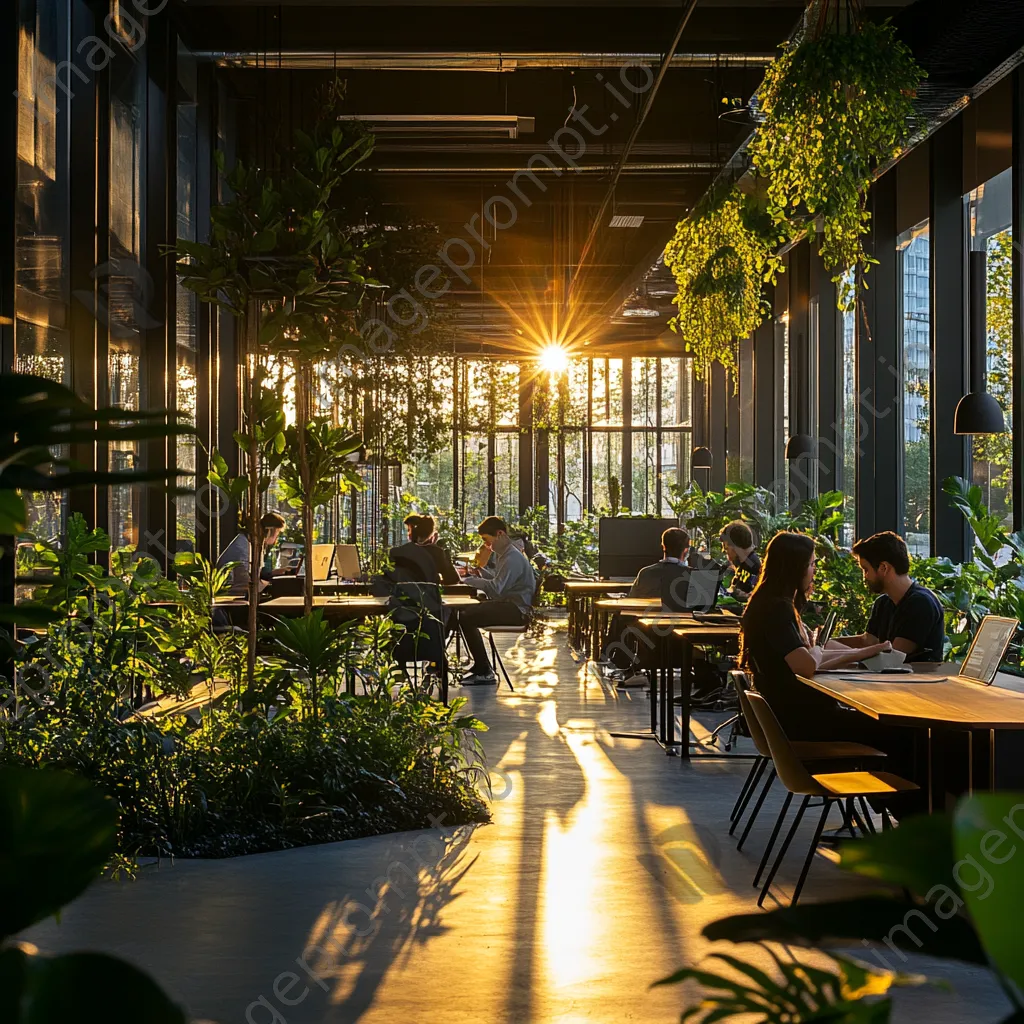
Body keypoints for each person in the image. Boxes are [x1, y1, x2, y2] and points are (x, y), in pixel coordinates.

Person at [739, 532, 893, 739]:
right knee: (898, 733)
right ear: (795, 568)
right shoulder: (776, 610)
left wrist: (864, 652)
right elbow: (807, 666)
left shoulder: (766, 602)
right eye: (811, 564)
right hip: (801, 722)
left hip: (786, 717)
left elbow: (808, 660)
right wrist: (818, 648)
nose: (814, 571)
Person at [828, 531, 945, 663]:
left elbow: (893, 657)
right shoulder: (883, 603)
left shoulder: (921, 603)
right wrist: (824, 644)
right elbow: (866, 641)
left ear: (884, 568)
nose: (864, 577)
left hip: (917, 681)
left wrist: (838, 653)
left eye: (866, 570)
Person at [457, 516, 536, 684]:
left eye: (487, 540)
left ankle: (484, 670)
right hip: (509, 604)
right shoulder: (505, 554)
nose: (486, 546)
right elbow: (498, 581)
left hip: (516, 610)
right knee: (462, 610)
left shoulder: (511, 558)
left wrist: (469, 581)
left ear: (500, 534)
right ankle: (480, 666)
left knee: (466, 617)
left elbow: (496, 589)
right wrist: (479, 573)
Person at [217, 511, 287, 596]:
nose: (277, 537)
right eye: (277, 532)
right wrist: (269, 585)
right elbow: (244, 580)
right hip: (231, 594)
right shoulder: (245, 547)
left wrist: (272, 574)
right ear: (269, 531)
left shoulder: (248, 542)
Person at [396, 513, 460, 585]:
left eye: (408, 530)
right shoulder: (437, 552)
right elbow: (452, 579)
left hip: (404, 594)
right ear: (431, 534)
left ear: (411, 532)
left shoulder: (399, 552)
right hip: (430, 595)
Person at [629, 528, 691, 598]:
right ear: (686, 550)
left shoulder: (645, 573)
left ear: (663, 546)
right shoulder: (693, 575)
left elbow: (632, 598)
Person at [720, 520, 761, 599]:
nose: (724, 551)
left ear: (735, 546)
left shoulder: (755, 566)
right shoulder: (742, 564)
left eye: (726, 548)